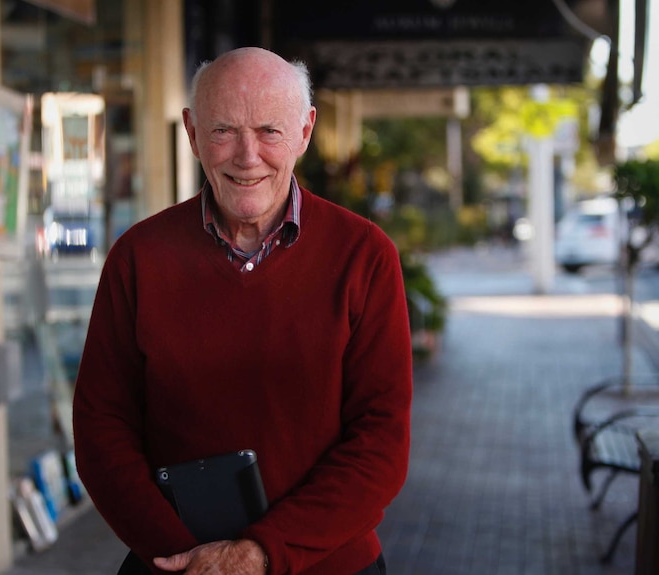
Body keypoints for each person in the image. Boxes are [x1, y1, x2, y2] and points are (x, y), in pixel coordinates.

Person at [73, 46, 412, 575]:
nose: (246, 156)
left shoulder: (364, 256)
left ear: (305, 131)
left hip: (327, 565)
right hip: (172, 565)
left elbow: (381, 443)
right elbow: (101, 429)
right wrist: (189, 561)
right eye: (223, 130)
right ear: (191, 132)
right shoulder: (137, 258)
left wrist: (256, 556)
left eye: (270, 131)